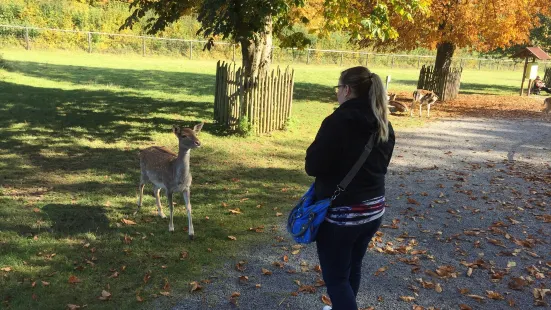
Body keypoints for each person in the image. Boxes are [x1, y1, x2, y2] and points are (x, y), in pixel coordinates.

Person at [305, 66, 395, 310]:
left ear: (346, 90)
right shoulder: (383, 123)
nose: (337, 94)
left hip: (343, 215)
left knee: (336, 280)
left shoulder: (338, 121)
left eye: (338, 88)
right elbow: (381, 166)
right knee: (352, 267)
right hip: (374, 211)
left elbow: (313, 166)